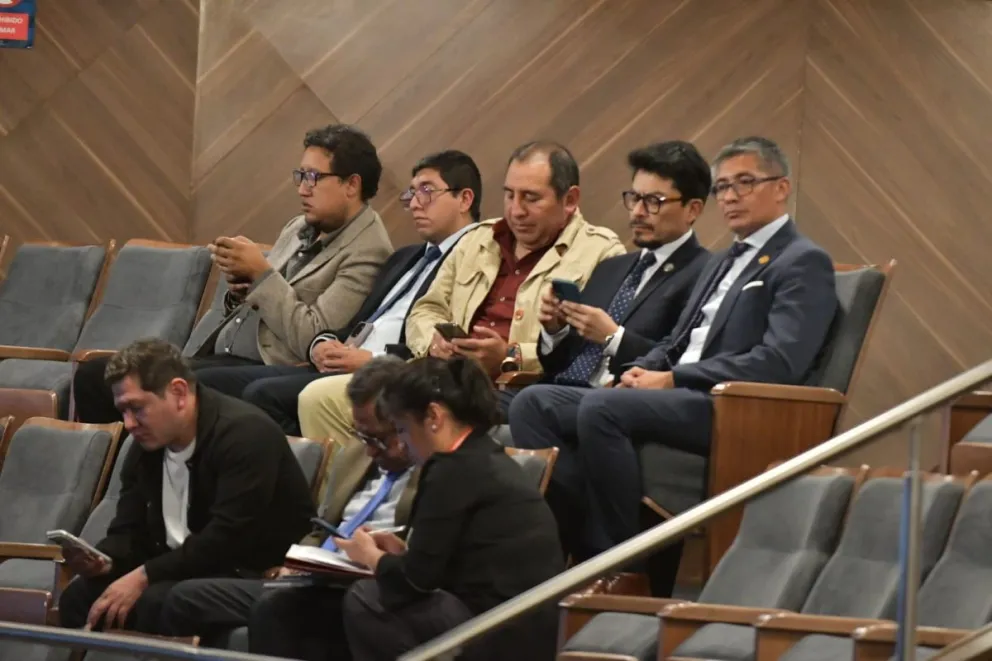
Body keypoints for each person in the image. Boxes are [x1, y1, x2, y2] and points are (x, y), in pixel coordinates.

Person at [509, 136, 839, 595]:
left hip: (729, 406)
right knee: (533, 403)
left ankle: (621, 565)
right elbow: (674, 341)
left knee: (600, 410)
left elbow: (779, 361)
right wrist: (637, 371)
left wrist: (672, 378)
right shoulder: (725, 260)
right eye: (724, 187)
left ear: (782, 188)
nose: (731, 197)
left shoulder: (802, 261)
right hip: (677, 392)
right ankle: (573, 541)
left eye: (745, 183)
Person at [72, 123, 393, 422]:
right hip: (222, 356)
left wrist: (262, 275)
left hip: (270, 368)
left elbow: (318, 339)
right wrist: (242, 288)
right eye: (300, 176)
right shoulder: (299, 227)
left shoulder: (368, 251)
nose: (302, 190)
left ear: (351, 185)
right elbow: (266, 295)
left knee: (176, 390)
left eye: (313, 177)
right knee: (97, 376)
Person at [249, 357, 564, 661]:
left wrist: (370, 556)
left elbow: (414, 582)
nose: (404, 445)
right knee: (289, 607)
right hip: (497, 620)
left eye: (401, 430)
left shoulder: (451, 468)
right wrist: (397, 553)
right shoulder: (476, 456)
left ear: (433, 417)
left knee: (368, 598)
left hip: (499, 630)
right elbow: (437, 564)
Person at [512, 140, 712, 556]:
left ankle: (577, 544)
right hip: (573, 387)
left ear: (693, 209)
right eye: (634, 198)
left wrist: (613, 336)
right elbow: (562, 360)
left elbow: (678, 354)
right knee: (461, 400)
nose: (637, 212)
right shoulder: (613, 267)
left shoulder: (705, 273)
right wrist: (554, 330)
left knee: (533, 404)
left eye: (654, 201)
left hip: (627, 396)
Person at [151, 356, 420, 644]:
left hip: (364, 588)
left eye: (377, 439)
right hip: (314, 577)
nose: (369, 451)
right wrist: (297, 562)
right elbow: (321, 529)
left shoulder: (432, 474)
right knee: (183, 598)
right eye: (361, 435)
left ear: (405, 424)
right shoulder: (355, 455)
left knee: (272, 609)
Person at [57, 338, 314, 634]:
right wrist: (105, 561)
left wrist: (144, 575)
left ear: (178, 393)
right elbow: (128, 530)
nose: (127, 423)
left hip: (247, 569)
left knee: (159, 600)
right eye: (122, 411)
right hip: (180, 568)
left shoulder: (246, 435)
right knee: (80, 597)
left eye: (136, 408)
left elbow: (226, 539)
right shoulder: (145, 447)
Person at [237, 150, 482, 435]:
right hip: (343, 360)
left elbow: (442, 346)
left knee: (262, 396)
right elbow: (361, 321)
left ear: (465, 199)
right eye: (411, 194)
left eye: (427, 192)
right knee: (215, 383)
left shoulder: (475, 261)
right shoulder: (405, 257)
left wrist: (375, 359)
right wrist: (323, 343)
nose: (415, 204)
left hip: (392, 372)